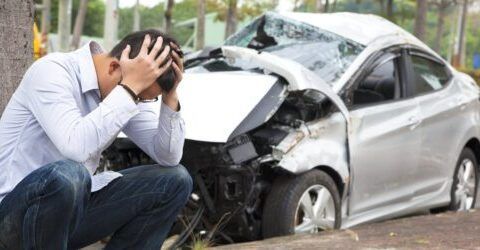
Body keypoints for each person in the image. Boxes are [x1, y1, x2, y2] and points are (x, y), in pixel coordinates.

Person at [0, 29, 192, 249]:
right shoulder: (53, 71)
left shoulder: (127, 90)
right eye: (137, 96)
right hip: (13, 218)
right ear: (113, 67)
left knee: (175, 180)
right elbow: (75, 148)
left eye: (141, 98)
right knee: (69, 175)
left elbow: (169, 157)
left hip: (68, 217)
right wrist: (129, 90)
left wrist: (171, 95)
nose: (136, 102)